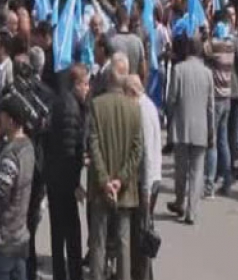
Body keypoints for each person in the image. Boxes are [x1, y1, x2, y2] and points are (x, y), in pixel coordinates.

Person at [86, 53, 143, 280]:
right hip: (125, 188)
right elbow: (137, 150)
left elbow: (94, 145)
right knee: (123, 242)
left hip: (101, 187)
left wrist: (104, 180)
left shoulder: (97, 106)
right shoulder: (134, 108)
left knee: (98, 241)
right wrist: (122, 179)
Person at [0, 93, 36, 280]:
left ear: (11, 121)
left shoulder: (10, 156)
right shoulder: (28, 147)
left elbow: (1, 198)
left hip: (5, 240)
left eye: (1, 117)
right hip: (21, 236)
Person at [42, 64, 89, 280]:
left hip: (53, 176)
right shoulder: (72, 109)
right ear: (76, 84)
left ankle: (60, 273)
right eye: (85, 84)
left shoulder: (59, 102)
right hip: (63, 179)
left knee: (57, 230)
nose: (88, 89)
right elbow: (70, 149)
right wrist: (74, 184)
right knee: (72, 231)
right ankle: (74, 273)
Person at [167, 36, 214, 224]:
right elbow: (210, 106)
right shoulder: (207, 73)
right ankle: (192, 211)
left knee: (181, 169)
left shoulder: (178, 70)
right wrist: (212, 131)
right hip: (201, 127)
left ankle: (179, 201)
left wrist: (170, 119)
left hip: (181, 126)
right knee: (197, 171)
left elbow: (171, 99)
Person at [124, 74, 163, 280]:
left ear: (132, 92)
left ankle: (143, 275)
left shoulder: (141, 110)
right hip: (151, 178)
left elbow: (146, 152)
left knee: (141, 234)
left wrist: (146, 190)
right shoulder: (149, 105)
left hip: (146, 181)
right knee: (143, 231)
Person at [204, 19, 237, 195]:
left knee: (212, 141)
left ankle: (209, 183)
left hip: (216, 99)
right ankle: (227, 179)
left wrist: (207, 33)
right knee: (223, 141)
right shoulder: (230, 46)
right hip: (227, 98)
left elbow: (204, 47)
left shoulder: (217, 47)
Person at [110, 6, 147, 82]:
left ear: (116, 21)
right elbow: (143, 71)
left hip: (118, 89)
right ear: (128, 20)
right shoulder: (138, 41)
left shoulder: (111, 43)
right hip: (134, 87)